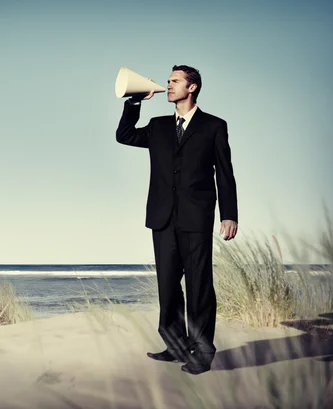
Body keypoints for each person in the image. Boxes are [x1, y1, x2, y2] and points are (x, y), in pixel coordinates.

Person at [116, 65, 238, 375]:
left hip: (196, 218)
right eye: (168, 81)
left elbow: (224, 174)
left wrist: (229, 214)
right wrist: (135, 101)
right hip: (162, 217)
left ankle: (202, 351)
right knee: (168, 287)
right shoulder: (158, 127)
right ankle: (175, 345)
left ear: (192, 87)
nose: (168, 86)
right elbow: (125, 135)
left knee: (199, 287)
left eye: (174, 81)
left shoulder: (214, 126)